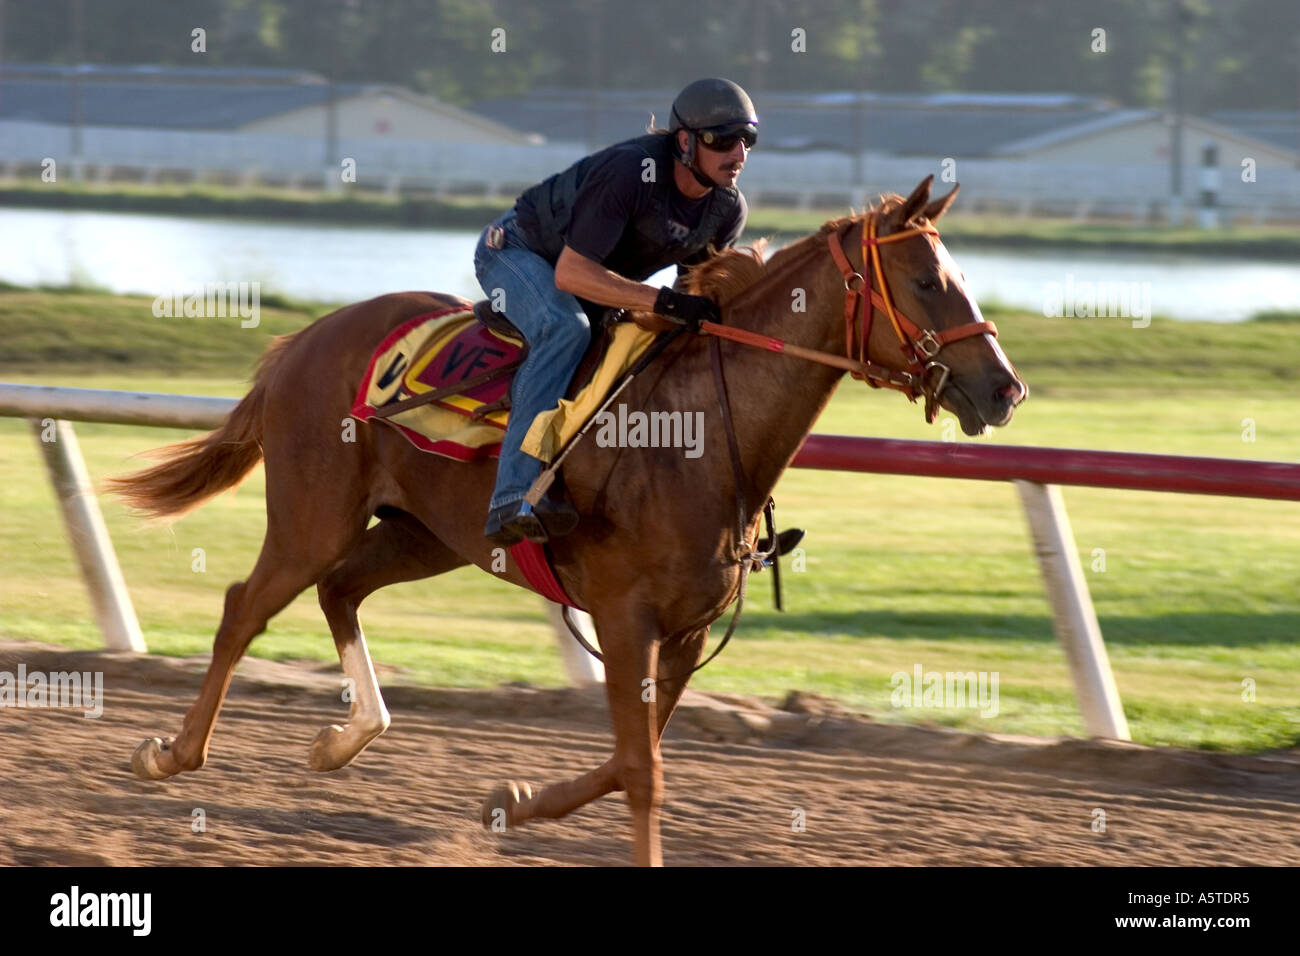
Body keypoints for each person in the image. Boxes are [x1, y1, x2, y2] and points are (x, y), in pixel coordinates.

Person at [473, 77, 756, 547]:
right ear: (685, 141)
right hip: (520, 253)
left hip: (588, 275)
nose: (739, 153)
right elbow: (571, 275)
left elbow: (692, 305)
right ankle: (512, 496)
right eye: (722, 139)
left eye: (748, 140)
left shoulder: (726, 209)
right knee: (566, 328)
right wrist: (660, 300)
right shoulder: (632, 172)